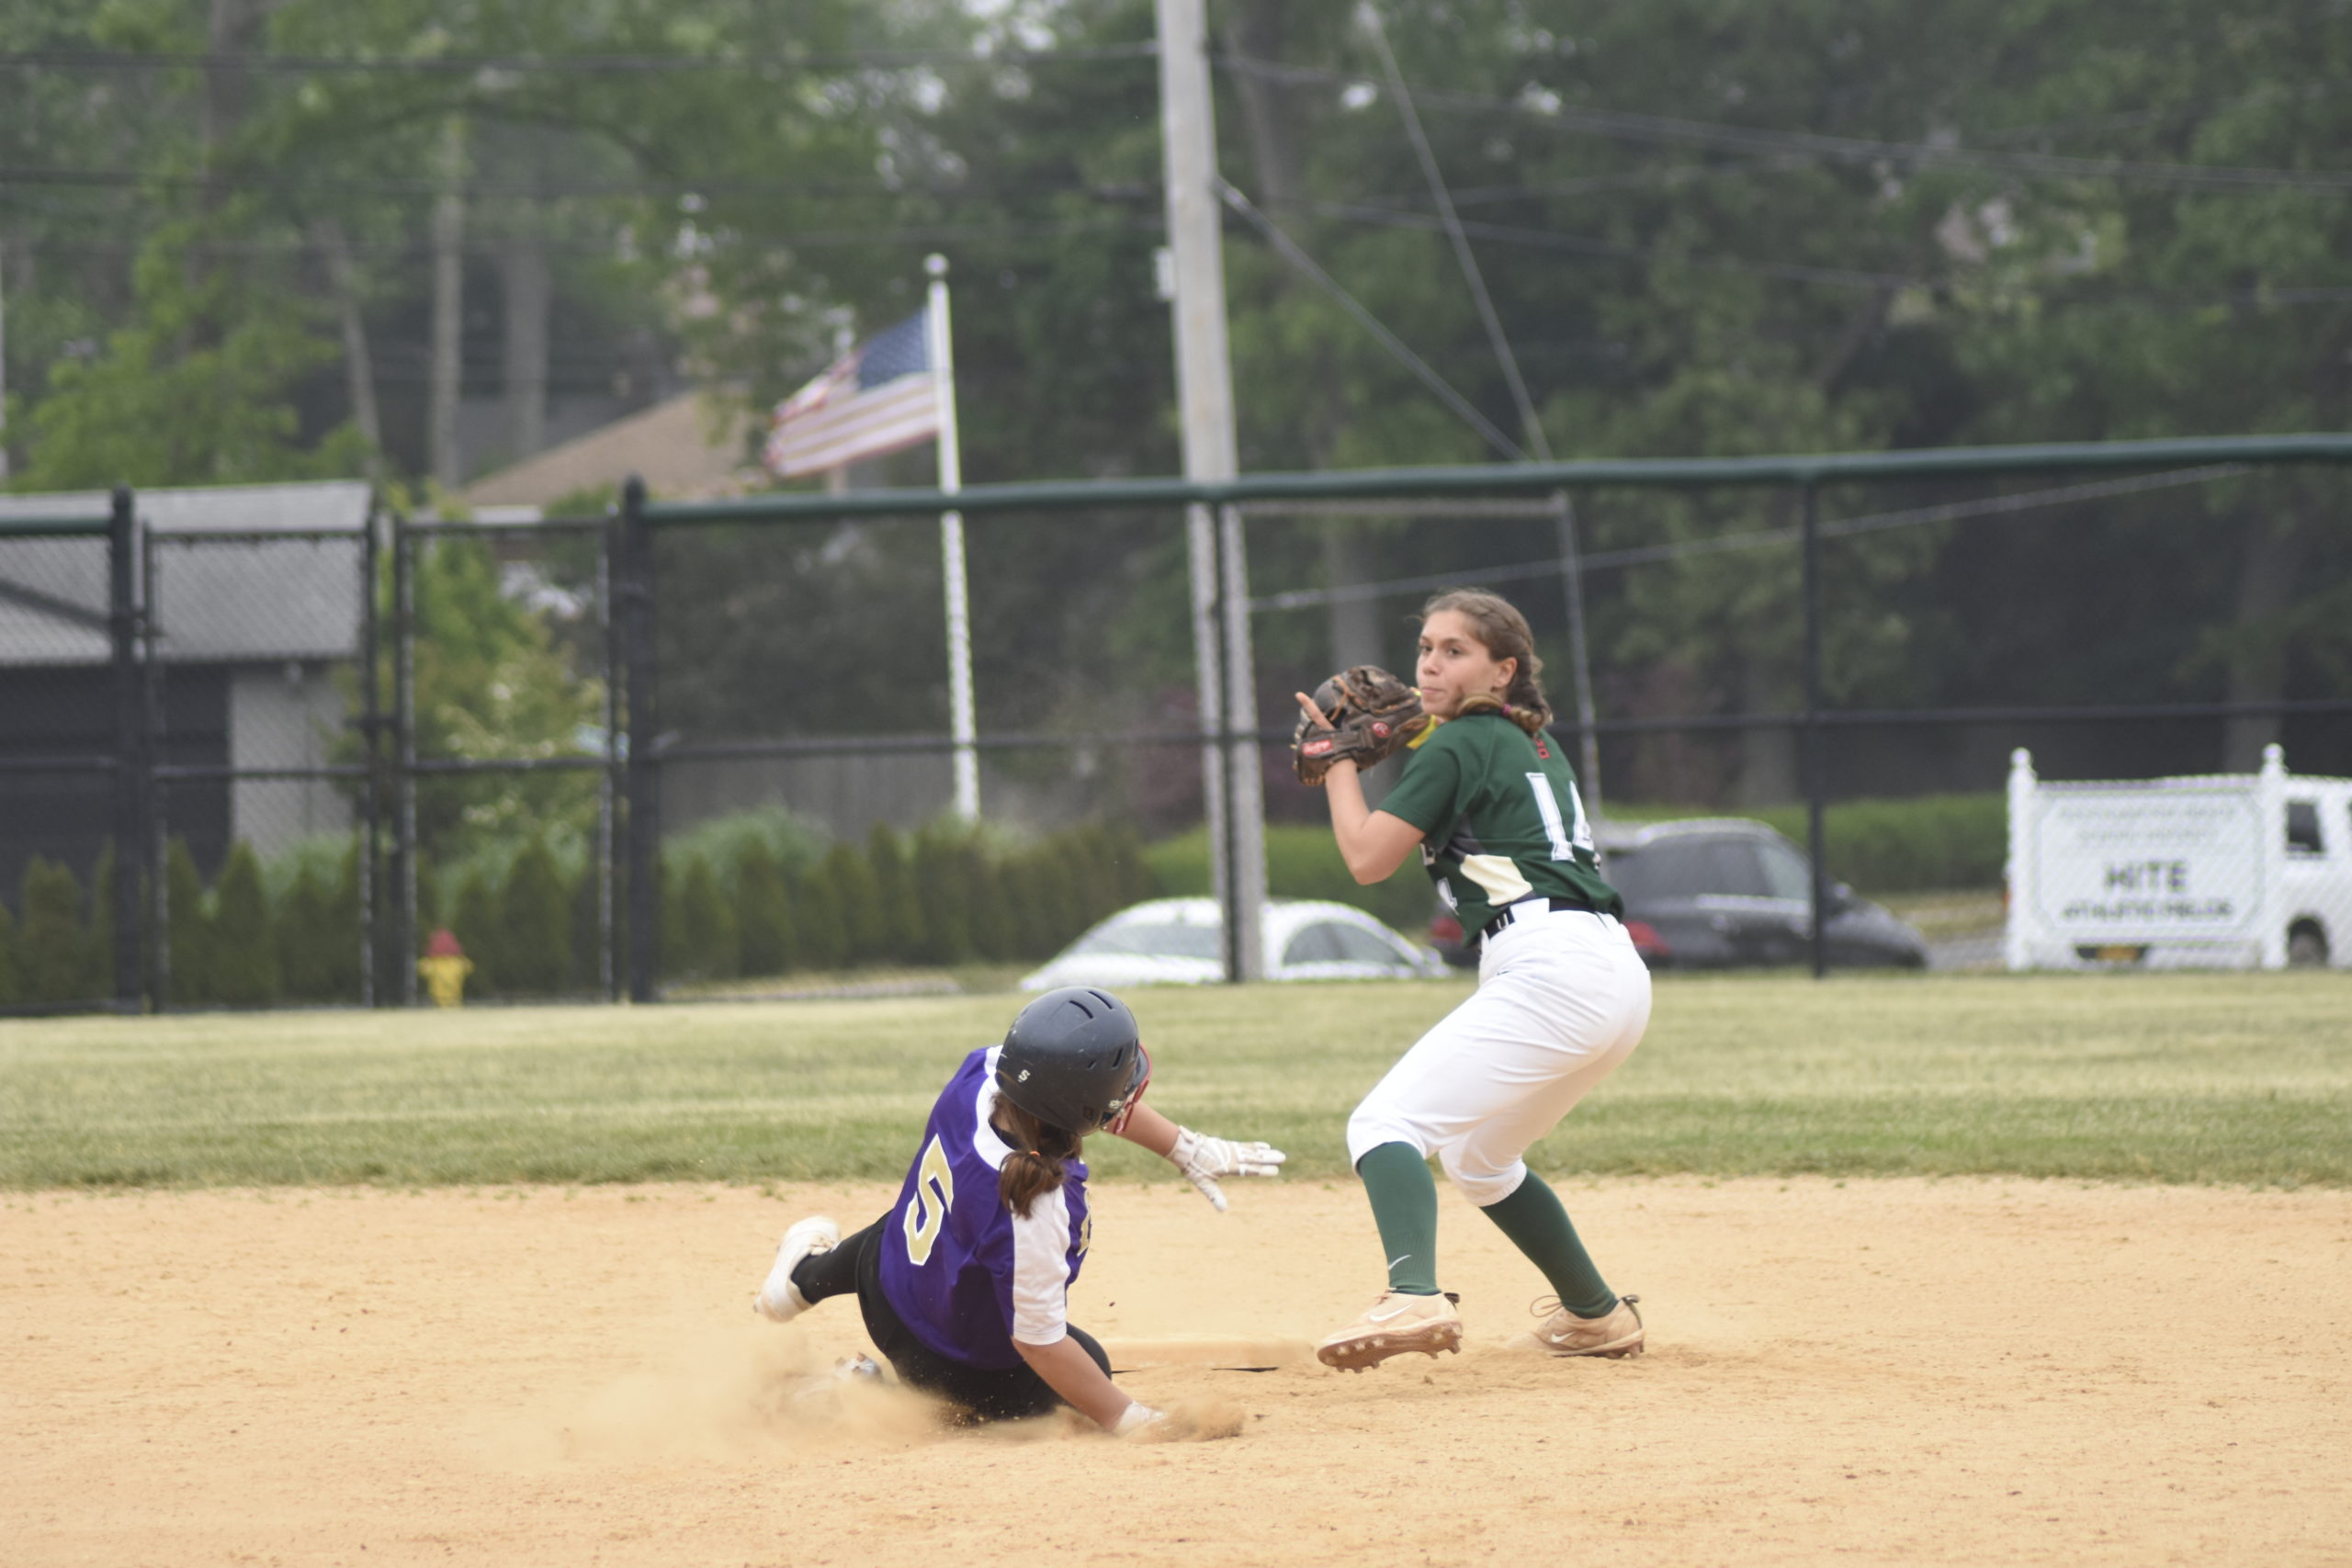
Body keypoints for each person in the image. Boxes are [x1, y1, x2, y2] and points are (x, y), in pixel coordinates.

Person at [1295, 588, 1652, 1372]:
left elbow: (1366, 858)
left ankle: (1413, 1293)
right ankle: (1596, 1314)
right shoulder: (1528, 742)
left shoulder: (1462, 744)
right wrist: (1408, 733)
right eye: (1426, 646)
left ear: (1503, 669)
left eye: (1455, 650)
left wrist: (1341, 761)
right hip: (1611, 975)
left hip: (1552, 967)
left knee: (1381, 1123)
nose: (1429, 663)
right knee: (1483, 1159)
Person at [753, 986, 1285, 1433]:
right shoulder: (1037, 1202)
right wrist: (1134, 1421)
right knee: (1086, 1365)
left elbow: (1067, 1099)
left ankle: (802, 1278)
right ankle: (870, 1395)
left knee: (904, 1229)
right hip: (942, 1359)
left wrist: (1183, 1146)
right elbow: (1039, 1343)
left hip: (883, 1278)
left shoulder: (981, 1074)